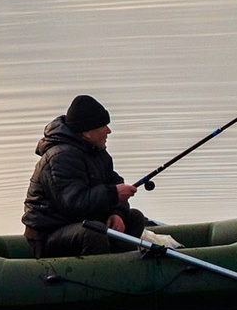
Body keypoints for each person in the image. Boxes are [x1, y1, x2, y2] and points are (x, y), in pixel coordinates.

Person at [23, 94, 147, 258]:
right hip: (49, 235)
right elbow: (74, 204)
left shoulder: (96, 151)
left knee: (134, 218)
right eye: (103, 126)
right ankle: (96, 276)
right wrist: (113, 194)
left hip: (82, 223)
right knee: (93, 232)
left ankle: (119, 266)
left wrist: (117, 213)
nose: (109, 131)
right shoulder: (60, 158)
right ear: (87, 132)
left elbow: (114, 182)